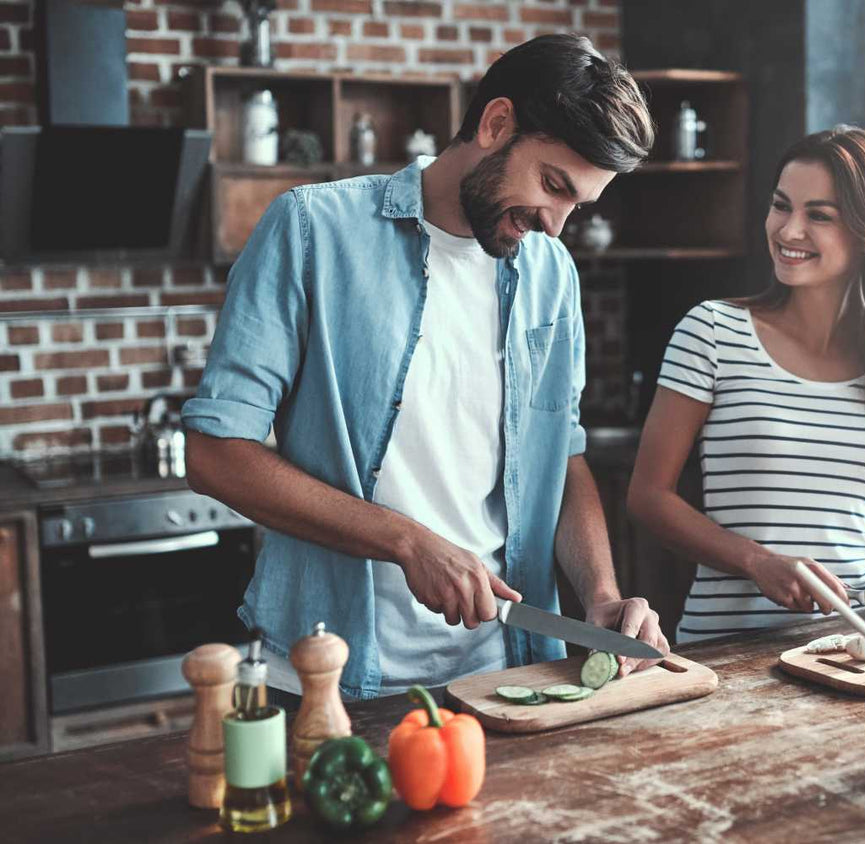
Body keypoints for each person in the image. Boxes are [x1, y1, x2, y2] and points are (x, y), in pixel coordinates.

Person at [183, 35, 668, 700]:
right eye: (553, 185)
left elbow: (564, 455)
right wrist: (407, 541)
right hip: (329, 677)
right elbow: (214, 453)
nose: (556, 225)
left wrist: (602, 597)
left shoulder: (551, 273)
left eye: (577, 204)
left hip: (505, 675)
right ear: (497, 124)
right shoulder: (311, 231)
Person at [627, 126, 865, 644]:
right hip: (729, 647)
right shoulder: (713, 332)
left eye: (819, 215)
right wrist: (757, 561)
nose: (788, 231)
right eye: (781, 206)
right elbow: (648, 497)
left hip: (861, 644)